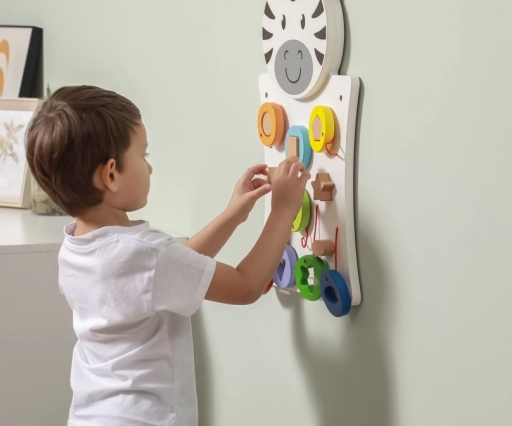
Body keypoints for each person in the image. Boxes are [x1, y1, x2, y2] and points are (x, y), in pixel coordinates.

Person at [25, 85, 310, 426]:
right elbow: (246, 285)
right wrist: (283, 209)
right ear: (111, 174)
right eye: (143, 155)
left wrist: (233, 215)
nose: (149, 168)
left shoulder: (77, 248)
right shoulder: (146, 255)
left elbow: (172, 269)